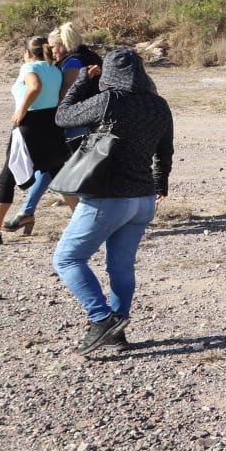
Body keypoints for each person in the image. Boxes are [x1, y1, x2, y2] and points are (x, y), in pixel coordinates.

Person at [50, 49, 173, 355]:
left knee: (67, 259)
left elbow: (63, 116)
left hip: (109, 197)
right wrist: (160, 185)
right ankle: (117, 332)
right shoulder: (159, 105)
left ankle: (101, 318)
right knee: (120, 267)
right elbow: (164, 151)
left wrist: (81, 81)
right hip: (143, 199)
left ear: (108, 73)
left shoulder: (110, 100)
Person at [0, 37, 68, 246]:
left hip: (29, 126)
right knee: (59, 175)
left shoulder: (29, 67)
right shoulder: (55, 70)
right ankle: (85, 225)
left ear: (28, 53)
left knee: (7, 177)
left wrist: (21, 110)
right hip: (52, 125)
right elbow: (61, 94)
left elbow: (34, 87)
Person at [49, 21, 101, 155]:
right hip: (94, 113)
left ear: (63, 44)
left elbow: (68, 91)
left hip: (78, 119)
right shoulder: (91, 56)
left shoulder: (72, 62)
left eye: (52, 47)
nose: (50, 51)